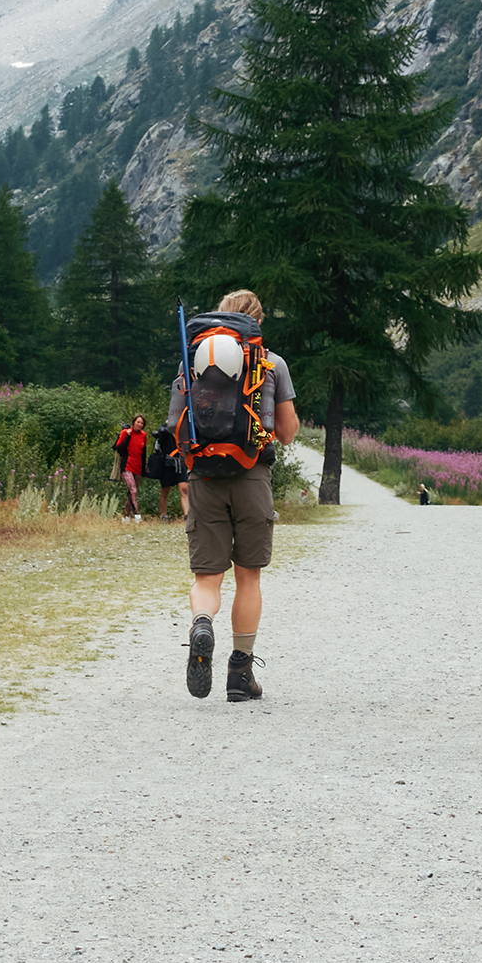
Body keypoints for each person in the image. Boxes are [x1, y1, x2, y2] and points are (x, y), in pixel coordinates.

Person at [169, 288, 299, 703]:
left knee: (207, 578)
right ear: (258, 321)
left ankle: (203, 622)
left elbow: (175, 425)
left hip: (204, 477)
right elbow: (288, 432)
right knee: (249, 576)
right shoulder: (271, 363)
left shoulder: (191, 360)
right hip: (252, 476)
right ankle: (240, 673)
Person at [149, 423, 190, 520]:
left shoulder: (184, 431)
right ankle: (163, 515)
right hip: (168, 464)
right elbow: (161, 435)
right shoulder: (164, 431)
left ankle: (186, 515)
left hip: (181, 462)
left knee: (184, 488)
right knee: (165, 490)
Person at [114, 413, 148, 518]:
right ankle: (137, 515)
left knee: (130, 494)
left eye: (141, 423)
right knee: (133, 490)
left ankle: (126, 517)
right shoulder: (125, 432)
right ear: (133, 422)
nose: (139, 424)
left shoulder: (143, 435)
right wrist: (128, 437)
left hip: (137, 467)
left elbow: (144, 453)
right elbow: (118, 449)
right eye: (138, 422)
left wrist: (143, 470)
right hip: (127, 466)